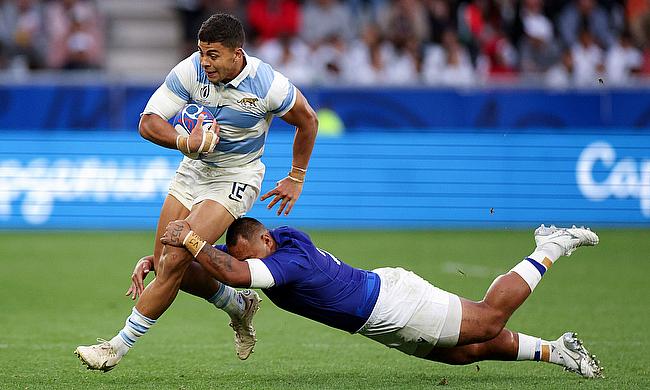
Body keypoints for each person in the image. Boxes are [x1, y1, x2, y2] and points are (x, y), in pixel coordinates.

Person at [74, 13, 318, 371]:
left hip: (236, 176)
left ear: (238, 54)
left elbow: (307, 120)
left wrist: (296, 176)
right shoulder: (191, 71)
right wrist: (182, 140)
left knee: (173, 257)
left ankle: (115, 347)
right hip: (193, 171)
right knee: (167, 266)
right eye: (202, 52)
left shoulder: (268, 85)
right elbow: (148, 121)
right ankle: (238, 305)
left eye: (214, 54)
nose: (206, 62)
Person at [122, 217, 603, 378]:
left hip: (392, 305)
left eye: (246, 252)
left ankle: (548, 247)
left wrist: (189, 241)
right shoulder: (283, 239)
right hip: (380, 309)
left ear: (265, 241)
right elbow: (225, 261)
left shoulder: (289, 262)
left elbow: (237, 273)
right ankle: (557, 351)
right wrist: (164, 260)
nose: (243, 259)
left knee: (488, 321)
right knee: (465, 352)